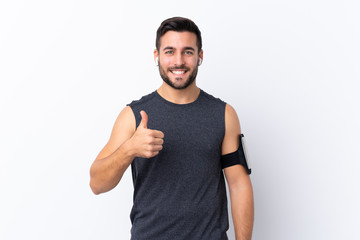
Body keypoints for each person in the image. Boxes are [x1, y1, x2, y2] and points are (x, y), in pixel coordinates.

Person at [89, 17, 254, 240]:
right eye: (169, 51)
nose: (179, 61)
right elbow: (97, 184)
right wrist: (130, 149)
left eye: (187, 51)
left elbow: (239, 185)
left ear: (200, 56)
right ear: (157, 56)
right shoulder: (132, 116)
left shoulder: (224, 115)